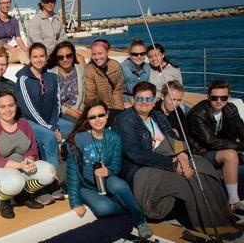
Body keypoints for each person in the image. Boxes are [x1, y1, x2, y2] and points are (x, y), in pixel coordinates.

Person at [114, 82, 242, 238]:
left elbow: (175, 139)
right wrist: (174, 165)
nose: (144, 102)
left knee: (203, 166)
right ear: (133, 100)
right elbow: (136, 153)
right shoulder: (125, 120)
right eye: (140, 99)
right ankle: (208, 223)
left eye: (149, 99)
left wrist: (182, 156)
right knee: (185, 181)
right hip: (140, 169)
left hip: (166, 158)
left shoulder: (157, 116)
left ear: (155, 101)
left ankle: (221, 214)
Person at [66, 100, 152, 238]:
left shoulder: (114, 138)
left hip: (106, 180)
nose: (97, 119)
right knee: (103, 209)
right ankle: (127, 210)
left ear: (107, 115)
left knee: (120, 185)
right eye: (92, 117)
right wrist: (75, 202)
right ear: (87, 120)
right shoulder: (79, 139)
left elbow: (116, 165)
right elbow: (72, 173)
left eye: (101, 115)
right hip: (86, 186)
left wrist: (109, 171)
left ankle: (140, 220)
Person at [0, 91, 56, 219]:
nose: (8, 110)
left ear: (16, 106)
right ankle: (4, 200)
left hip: (22, 165)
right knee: (15, 181)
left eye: (11, 105)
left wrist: (29, 160)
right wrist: (21, 166)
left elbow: (32, 148)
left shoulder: (23, 124)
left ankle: (24, 195)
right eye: (2, 107)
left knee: (49, 172)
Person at [187, 80, 244, 212]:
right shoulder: (198, 114)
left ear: (228, 97)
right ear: (208, 97)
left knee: (232, 153)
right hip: (200, 153)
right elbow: (211, 141)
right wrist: (241, 146)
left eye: (223, 98)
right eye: (215, 98)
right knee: (230, 155)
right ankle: (233, 200)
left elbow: (241, 129)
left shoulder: (230, 109)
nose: (219, 101)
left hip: (220, 149)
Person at [15, 43, 73, 169]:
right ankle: (54, 177)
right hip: (29, 121)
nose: (38, 60)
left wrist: (55, 125)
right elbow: (29, 109)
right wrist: (51, 128)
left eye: (42, 56)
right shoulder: (23, 79)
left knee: (72, 129)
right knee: (49, 137)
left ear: (46, 57)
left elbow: (56, 103)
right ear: (30, 58)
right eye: (35, 57)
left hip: (50, 120)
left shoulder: (51, 76)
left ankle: (71, 170)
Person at [84, 39, 124, 123]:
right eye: (94, 54)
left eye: (100, 53)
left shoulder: (115, 65)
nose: (97, 57)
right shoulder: (89, 70)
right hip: (100, 110)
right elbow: (90, 96)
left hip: (115, 107)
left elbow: (118, 89)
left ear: (107, 52)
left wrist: (119, 109)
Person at [47, 41, 85, 122]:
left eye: (68, 56)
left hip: (79, 111)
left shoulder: (80, 70)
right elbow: (50, 101)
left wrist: (81, 111)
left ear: (73, 55)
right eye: (61, 57)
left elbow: (85, 95)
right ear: (57, 59)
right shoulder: (51, 75)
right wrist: (67, 111)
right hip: (60, 112)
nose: (65, 60)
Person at [0, 0, 29, 65]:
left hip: (12, 48)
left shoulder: (14, 21)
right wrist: (10, 48)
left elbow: (18, 39)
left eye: (8, 2)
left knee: (25, 53)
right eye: (3, 3)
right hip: (0, 48)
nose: (6, 5)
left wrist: (26, 49)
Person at [121, 39, 151, 107]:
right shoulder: (122, 68)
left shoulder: (147, 68)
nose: (139, 56)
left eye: (142, 54)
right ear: (129, 54)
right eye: (135, 54)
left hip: (143, 105)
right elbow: (115, 91)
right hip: (128, 105)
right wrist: (123, 103)